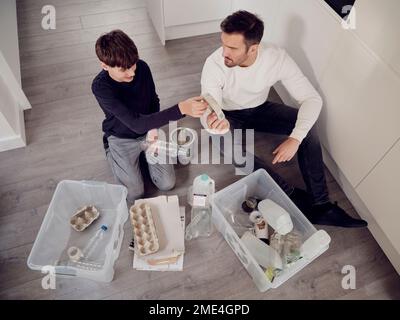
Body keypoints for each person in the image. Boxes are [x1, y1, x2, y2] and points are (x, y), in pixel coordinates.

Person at [201, 11, 367, 228]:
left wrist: (296, 138)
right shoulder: (214, 64)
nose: (224, 52)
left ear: (253, 48)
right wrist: (213, 122)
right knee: (228, 147)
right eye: (223, 44)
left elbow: (311, 99)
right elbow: (207, 110)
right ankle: (290, 195)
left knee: (307, 127)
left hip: (260, 109)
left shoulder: (276, 57)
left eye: (232, 48)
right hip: (228, 115)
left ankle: (321, 205)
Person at [92, 29, 207, 204]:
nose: (131, 72)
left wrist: (153, 131)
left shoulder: (142, 68)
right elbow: (135, 124)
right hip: (121, 137)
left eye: (133, 65)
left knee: (167, 183)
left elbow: (153, 101)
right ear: (104, 65)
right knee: (135, 193)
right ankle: (111, 150)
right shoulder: (100, 87)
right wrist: (182, 108)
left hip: (148, 131)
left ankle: (143, 157)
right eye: (124, 69)